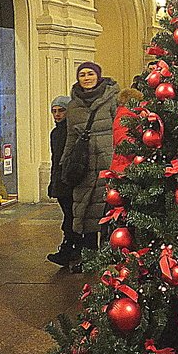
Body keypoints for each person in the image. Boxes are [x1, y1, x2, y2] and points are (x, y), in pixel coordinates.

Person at [62, 63, 119, 262]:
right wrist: (67, 161)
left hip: (107, 162)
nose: (86, 78)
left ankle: (107, 254)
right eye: (82, 75)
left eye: (90, 74)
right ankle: (89, 255)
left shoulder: (112, 100)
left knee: (106, 209)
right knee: (85, 211)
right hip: (83, 165)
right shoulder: (73, 106)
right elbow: (70, 136)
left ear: (98, 76)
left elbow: (119, 131)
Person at [46, 96, 78, 269]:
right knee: (69, 216)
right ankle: (70, 249)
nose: (57, 114)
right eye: (54, 111)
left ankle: (69, 250)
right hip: (61, 181)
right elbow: (55, 159)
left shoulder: (70, 132)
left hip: (69, 181)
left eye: (61, 110)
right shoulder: (55, 133)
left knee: (71, 217)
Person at [111, 87, 143, 172]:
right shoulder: (124, 117)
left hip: (126, 165)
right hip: (125, 166)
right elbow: (124, 144)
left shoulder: (128, 116)